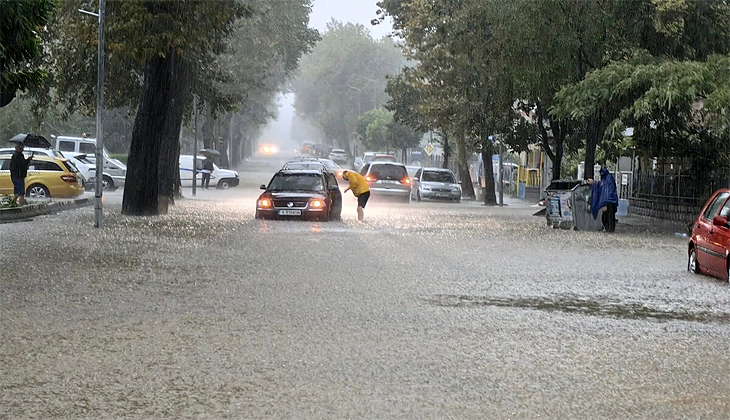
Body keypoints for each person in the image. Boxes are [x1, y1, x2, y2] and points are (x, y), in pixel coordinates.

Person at [588, 166, 619, 232]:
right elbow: (601, 186)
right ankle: (609, 229)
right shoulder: (608, 178)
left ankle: (610, 229)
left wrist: (605, 203)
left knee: (607, 217)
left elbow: (604, 188)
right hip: (611, 200)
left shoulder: (607, 179)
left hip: (609, 201)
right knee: (607, 217)